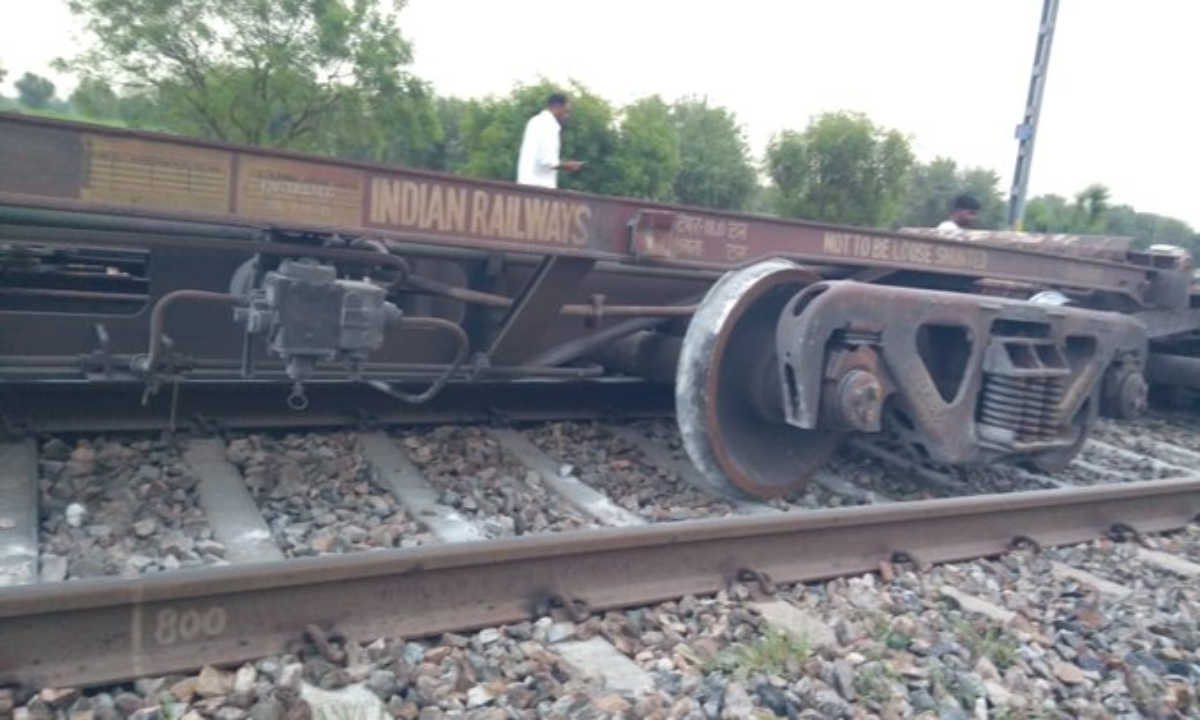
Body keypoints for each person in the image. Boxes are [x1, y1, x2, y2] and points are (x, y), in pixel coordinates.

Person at [517, 93, 585, 188]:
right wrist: (568, 165)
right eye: (566, 111)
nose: (567, 116)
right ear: (557, 106)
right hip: (539, 188)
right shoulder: (549, 125)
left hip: (524, 185)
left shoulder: (534, 121)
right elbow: (547, 161)